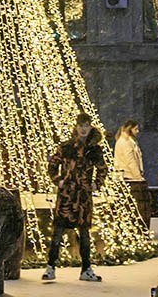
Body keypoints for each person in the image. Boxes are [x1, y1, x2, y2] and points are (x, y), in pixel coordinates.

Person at [43, 113, 107, 283]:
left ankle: (86, 268)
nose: (84, 129)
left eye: (86, 125)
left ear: (90, 126)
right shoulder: (66, 147)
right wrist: (59, 181)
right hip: (66, 196)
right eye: (81, 125)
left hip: (83, 198)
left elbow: (102, 169)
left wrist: (96, 184)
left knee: (84, 233)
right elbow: (52, 166)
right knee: (57, 232)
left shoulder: (94, 150)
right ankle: (50, 267)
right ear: (76, 127)